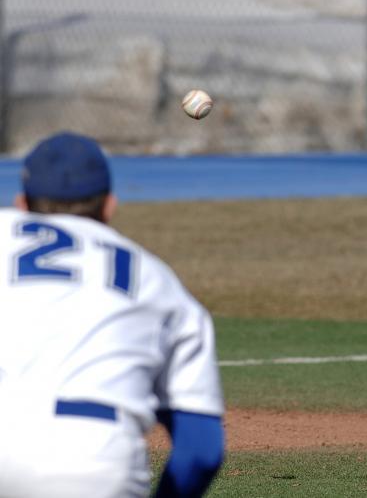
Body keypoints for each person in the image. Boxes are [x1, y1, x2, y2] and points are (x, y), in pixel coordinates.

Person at [0, 132, 225, 497]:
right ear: (109, 206)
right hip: (97, 459)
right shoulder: (156, 278)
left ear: (21, 204)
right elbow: (201, 449)